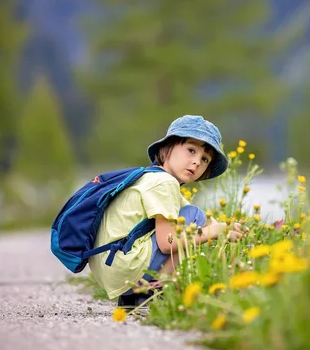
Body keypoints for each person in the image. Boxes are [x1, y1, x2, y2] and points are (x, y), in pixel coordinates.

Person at [88, 114, 244, 309]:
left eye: (204, 158)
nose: (196, 161)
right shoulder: (165, 183)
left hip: (111, 268)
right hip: (124, 267)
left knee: (195, 216)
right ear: (166, 148)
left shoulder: (151, 177)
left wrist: (223, 227)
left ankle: (132, 297)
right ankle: (152, 292)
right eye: (190, 150)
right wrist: (214, 232)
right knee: (192, 217)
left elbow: (205, 219)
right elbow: (166, 243)